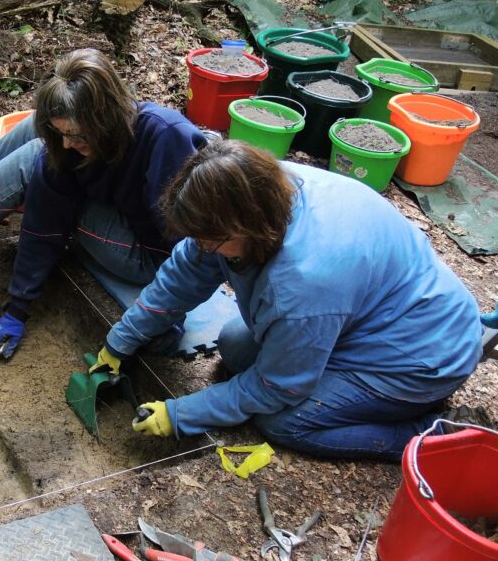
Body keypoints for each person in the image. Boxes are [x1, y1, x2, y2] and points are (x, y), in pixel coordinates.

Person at [93, 140, 483, 461]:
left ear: (246, 227)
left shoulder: (301, 283)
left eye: (210, 240)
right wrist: (121, 339)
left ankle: (430, 438)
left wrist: (181, 413)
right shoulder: (255, 186)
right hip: (367, 313)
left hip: (418, 356)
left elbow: (277, 387)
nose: (203, 247)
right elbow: (186, 271)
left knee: (283, 421)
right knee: (232, 343)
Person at [0, 48, 208, 358]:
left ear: (105, 116)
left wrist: (168, 313)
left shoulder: (168, 138)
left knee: (36, 159)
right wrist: (17, 310)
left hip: (149, 256)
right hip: (116, 215)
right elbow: (43, 219)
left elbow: (196, 243)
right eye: (63, 133)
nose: (68, 143)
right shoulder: (72, 141)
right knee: (36, 129)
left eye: (78, 135)